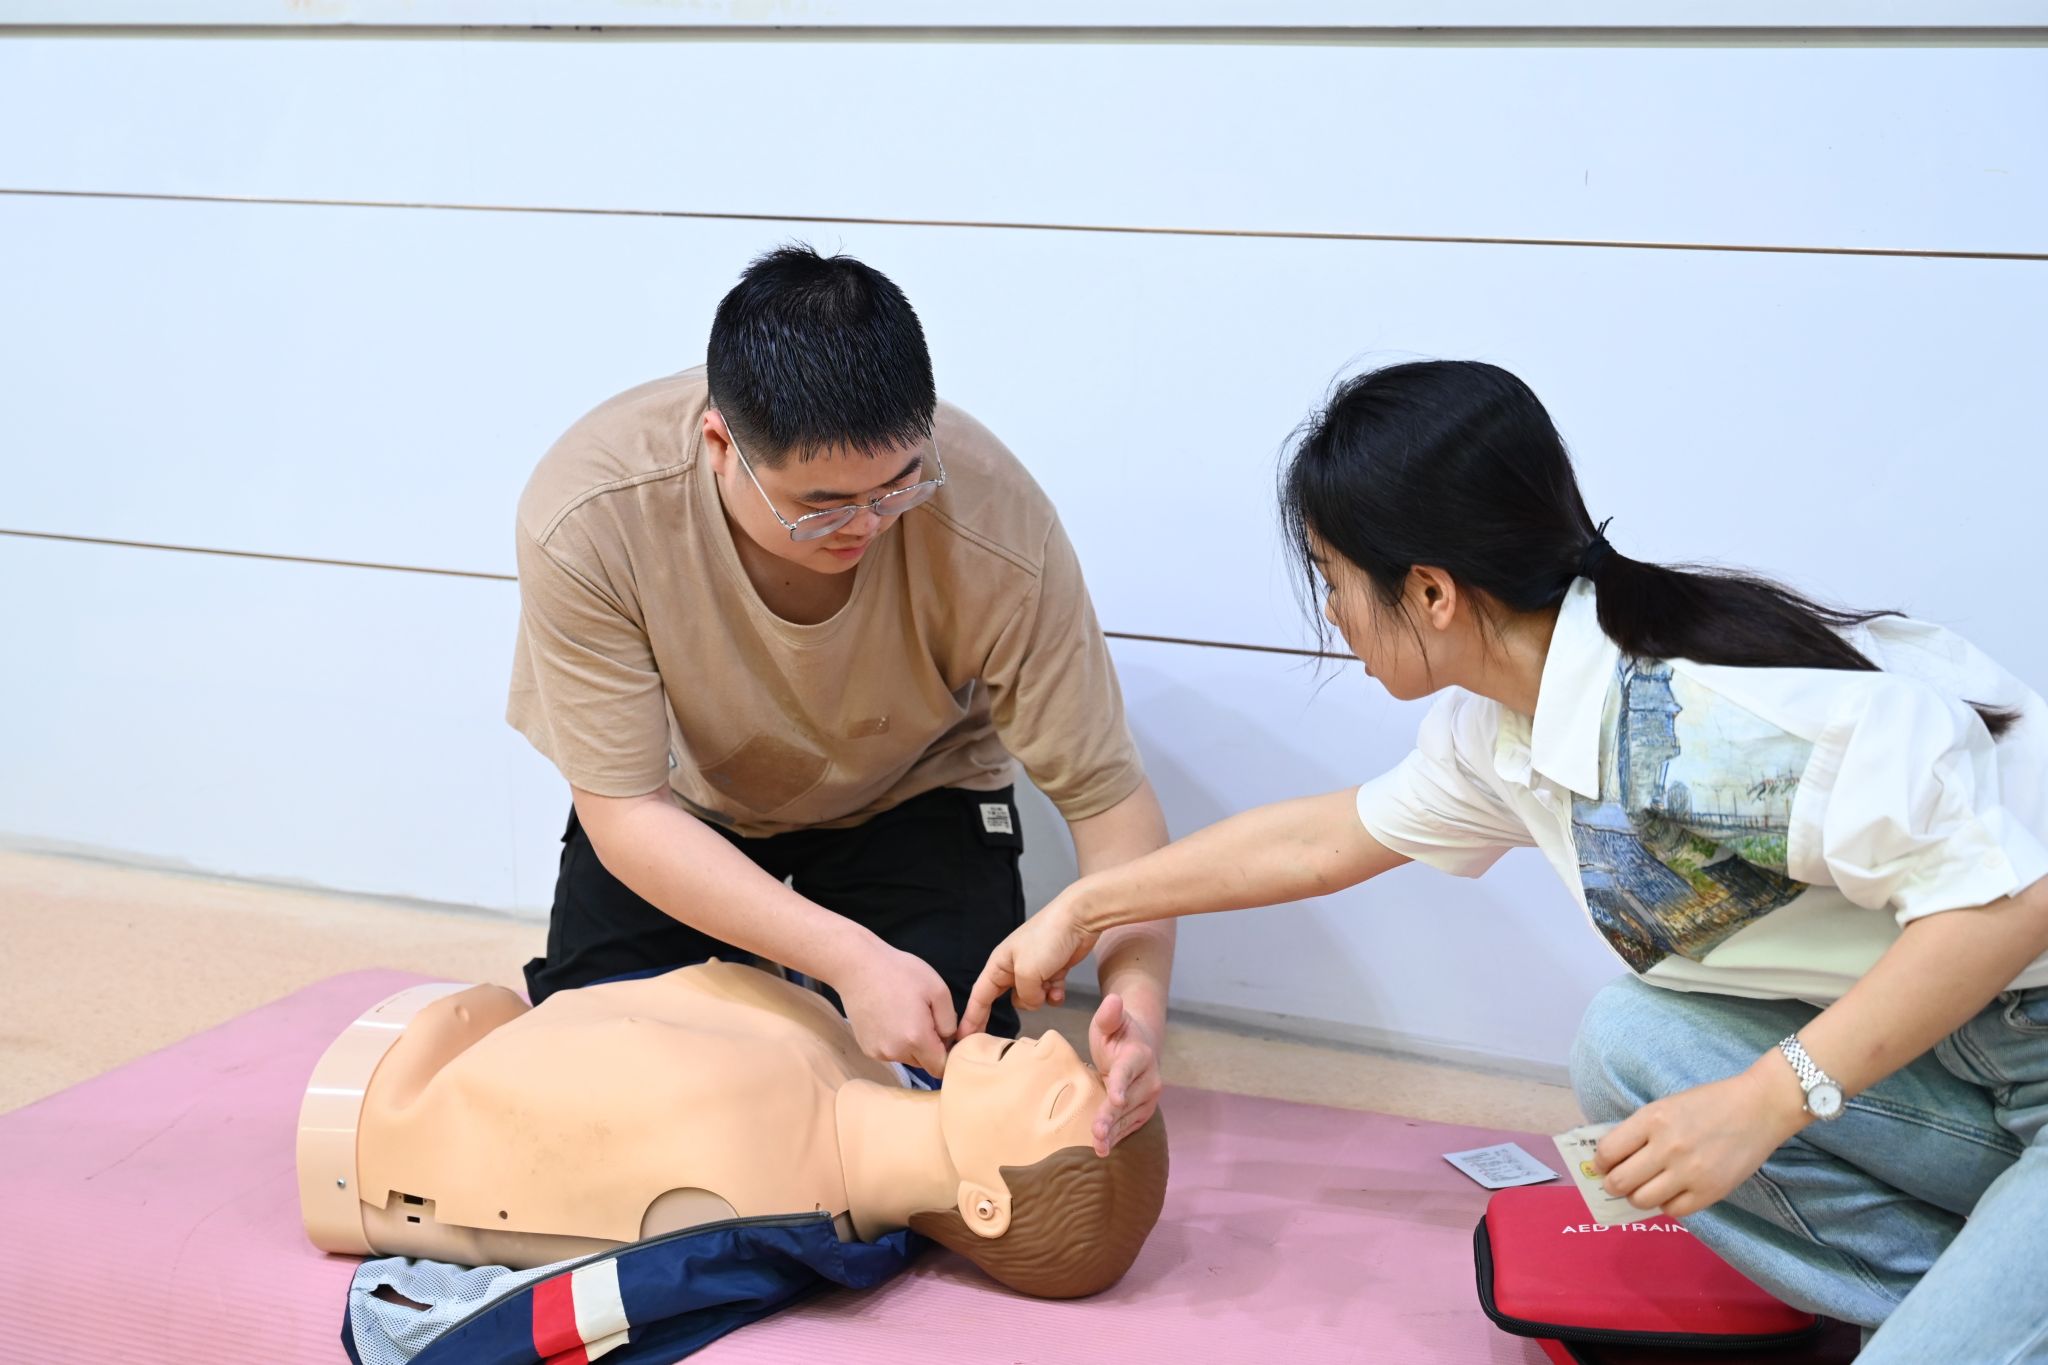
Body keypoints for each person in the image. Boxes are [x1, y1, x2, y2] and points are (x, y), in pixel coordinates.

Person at [959, 360, 2048, 1361]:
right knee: (1629, 1043)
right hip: (1954, 1055)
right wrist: (1086, 907)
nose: (1331, 614)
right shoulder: (1512, 727)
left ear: (1430, 592)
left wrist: (1767, 1098)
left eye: (1333, 579)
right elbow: (1323, 841)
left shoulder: (1702, 723)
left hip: (2018, 1024)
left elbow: (2015, 903)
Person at [507, 245, 1172, 1153]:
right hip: (687, 810)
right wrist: (848, 957)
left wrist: (1139, 1010)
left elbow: (1108, 801)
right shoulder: (593, 512)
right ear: (719, 446)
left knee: (948, 1087)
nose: (865, 524)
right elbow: (625, 811)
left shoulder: (997, 520)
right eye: (821, 506)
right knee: (587, 1086)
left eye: (898, 485)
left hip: (913, 788)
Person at [296, 961, 1168, 1300]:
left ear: (983, 1205)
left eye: (1058, 1096)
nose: (1057, 1045)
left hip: (373, 1105)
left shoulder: (752, 1190)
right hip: (451, 1035)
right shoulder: (860, 1062)